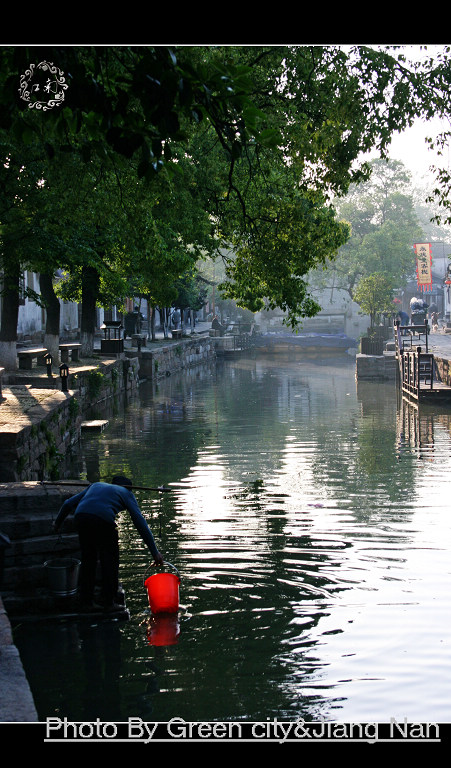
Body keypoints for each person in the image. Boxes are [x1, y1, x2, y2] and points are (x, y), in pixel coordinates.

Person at [53, 475, 164, 611]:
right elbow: (139, 522)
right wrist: (154, 552)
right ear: (129, 488)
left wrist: (57, 524)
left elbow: (68, 504)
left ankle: (86, 601)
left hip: (81, 517)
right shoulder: (126, 493)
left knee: (89, 559)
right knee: (110, 560)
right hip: (102, 520)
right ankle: (107, 601)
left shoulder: (96, 485)